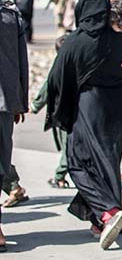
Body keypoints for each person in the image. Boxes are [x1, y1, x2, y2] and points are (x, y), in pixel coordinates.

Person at [46, 0, 122, 250]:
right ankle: (98, 221)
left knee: (78, 163)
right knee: (106, 162)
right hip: (121, 107)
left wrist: (58, 107)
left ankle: (108, 213)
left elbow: (57, 77)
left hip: (92, 107)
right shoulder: (121, 36)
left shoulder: (79, 40)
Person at [0, 0, 29, 252]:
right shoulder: (11, 15)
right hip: (6, 101)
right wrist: (21, 99)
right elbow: (22, 61)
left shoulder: (11, 15)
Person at [30, 34, 70, 189]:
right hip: (76, 112)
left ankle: (60, 175)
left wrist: (35, 106)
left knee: (67, 146)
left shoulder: (59, 67)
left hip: (63, 113)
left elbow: (48, 87)